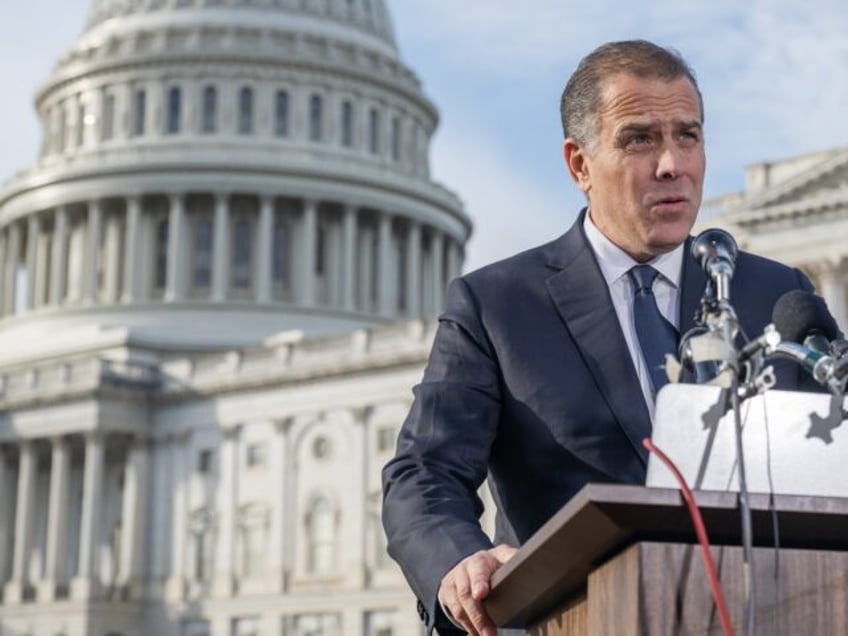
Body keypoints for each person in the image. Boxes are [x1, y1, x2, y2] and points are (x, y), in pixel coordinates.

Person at [381, 40, 824, 635]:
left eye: (687, 136)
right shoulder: (497, 305)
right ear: (579, 164)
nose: (672, 164)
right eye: (639, 139)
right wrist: (462, 559)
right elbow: (424, 473)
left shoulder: (776, 293)